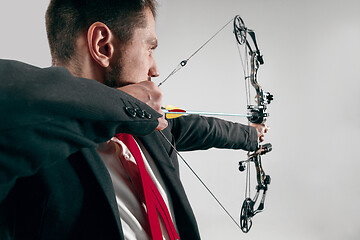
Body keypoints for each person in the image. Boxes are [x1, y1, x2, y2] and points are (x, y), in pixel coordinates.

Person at [0, 0, 268, 239]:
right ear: (103, 46)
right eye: (149, 48)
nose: (155, 69)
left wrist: (252, 134)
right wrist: (119, 105)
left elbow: (203, 129)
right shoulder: (32, 147)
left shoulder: (148, 129)